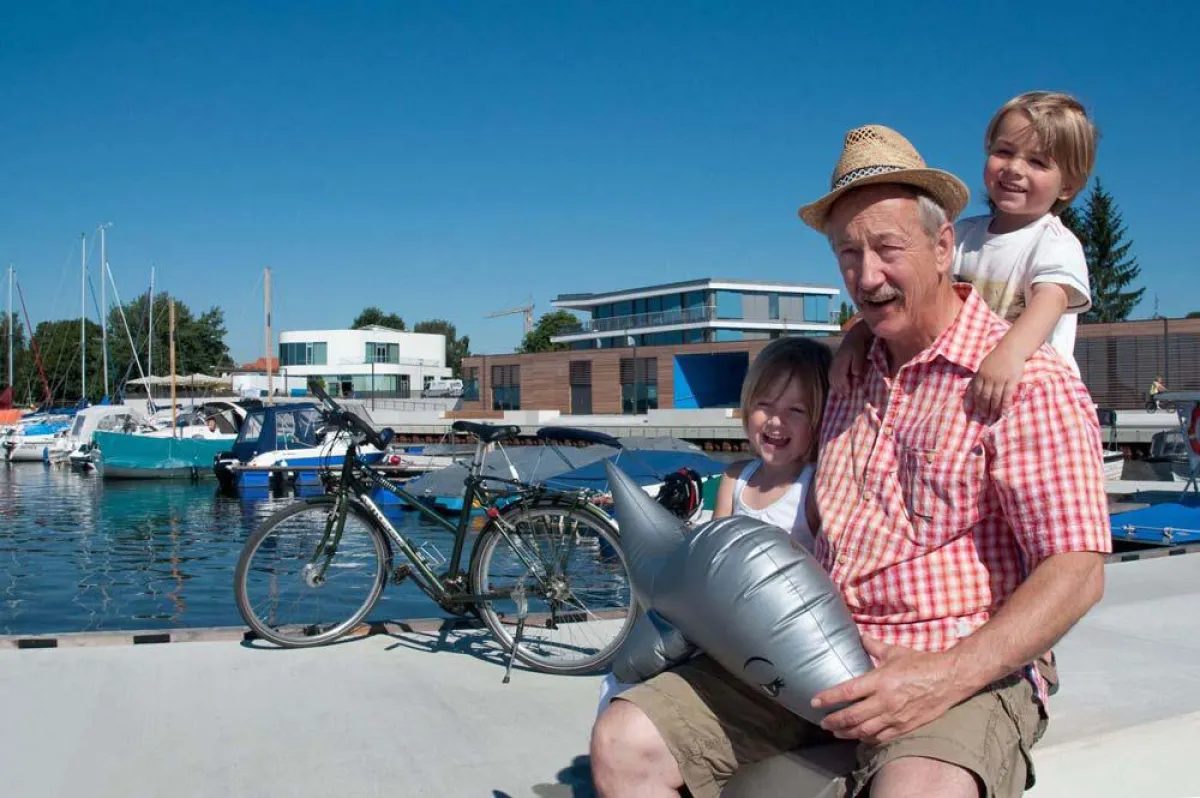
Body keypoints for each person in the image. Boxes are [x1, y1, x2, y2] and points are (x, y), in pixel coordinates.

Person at [589, 124, 1111, 798]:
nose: (866, 277)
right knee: (624, 740)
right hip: (814, 652)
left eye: (889, 249)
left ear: (945, 245)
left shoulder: (1027, 381)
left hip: (958, 669)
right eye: (847, 255)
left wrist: (944, 676)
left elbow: (1075, 572)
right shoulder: (846, 373)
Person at [594, 336, 833, 717]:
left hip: (777, 641)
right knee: (619, 685)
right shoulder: (736, 478)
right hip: (724, 629)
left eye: (796, 410)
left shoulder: (813, 490)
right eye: (764, 405)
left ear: (821, 418)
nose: (775, 421)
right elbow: (712, 563)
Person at [833, 91, 1098, 416]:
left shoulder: (1054, 242)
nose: (1014, 168)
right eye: (1004, 151)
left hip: (1025, 388)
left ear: (1068, 186)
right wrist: (858, 337)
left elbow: (1050, 301)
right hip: (961, 381)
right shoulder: (965, 234)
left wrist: (1010, 353)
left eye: (1037, 161)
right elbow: (913, 292)